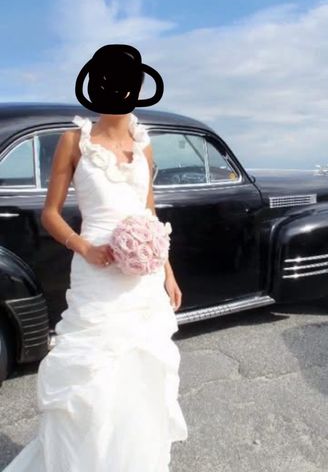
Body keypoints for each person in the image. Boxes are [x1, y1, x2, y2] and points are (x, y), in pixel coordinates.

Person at [3, 109, 189, 471]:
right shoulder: (74, 141)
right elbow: (50, 213)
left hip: (144, 279)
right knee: (94, 374)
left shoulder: (144, 144)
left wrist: (167, 269)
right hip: (96, 273)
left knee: (143, 370)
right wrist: (84, 247)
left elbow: (148, 211)